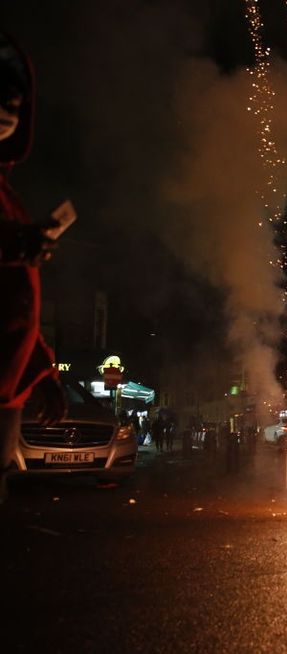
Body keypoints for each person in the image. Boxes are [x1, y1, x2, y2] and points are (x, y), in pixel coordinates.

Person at [0, 33, 66, 500]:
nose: (8, 108)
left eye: (15, 101)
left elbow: (16, 305)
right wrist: (11, 243)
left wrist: (43, 376)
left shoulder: (7, 196)